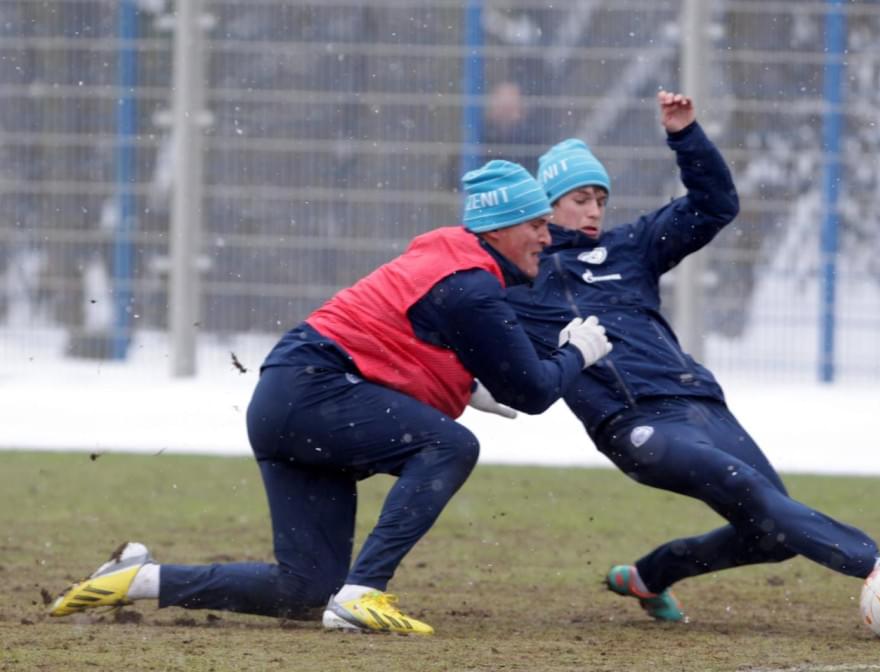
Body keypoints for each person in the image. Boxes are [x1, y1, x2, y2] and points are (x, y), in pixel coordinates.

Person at [48, 160, 612, 636]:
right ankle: (364, 593)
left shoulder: (451, 263)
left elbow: (399, 338)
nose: (546, 237)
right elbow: (534, 392)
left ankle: (139, 577)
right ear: (501, 227)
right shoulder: (471, 282)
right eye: (537, 224)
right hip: (312, 390)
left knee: (304, 588)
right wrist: (578, 352)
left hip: (290, 400)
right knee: (450, 446)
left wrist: (467, 385)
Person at [504, 90, 880, 623]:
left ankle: (651, 575)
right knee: (746, 488)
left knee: (773, 536)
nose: (594, 209)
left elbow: (714, 206)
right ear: (545, 206)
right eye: (580, 198)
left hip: (701, 403)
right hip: (634, 423)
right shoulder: (519, 277)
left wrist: (686, 136)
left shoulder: (630, 246)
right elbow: (465, 321)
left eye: (600, 197)